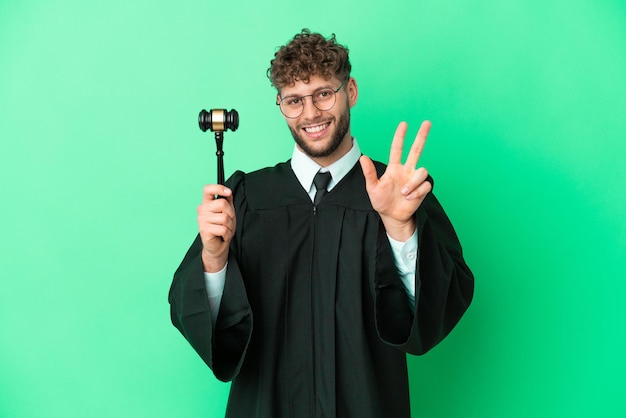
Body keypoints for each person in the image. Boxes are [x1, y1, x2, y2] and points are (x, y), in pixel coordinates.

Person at [169, 29, 474, 418]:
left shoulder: (399, 192)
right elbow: (203, 324)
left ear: (351, 91)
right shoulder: (247, 198)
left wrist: (401, 230)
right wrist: (213, 258)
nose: (310, 113)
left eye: (323, 94)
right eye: (295, 100)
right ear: (281, 105)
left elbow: (437, 310)